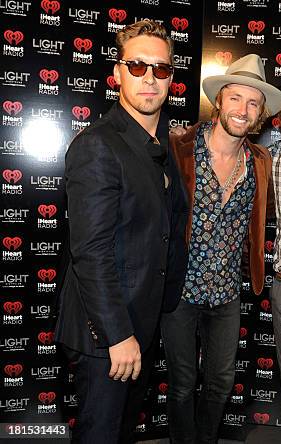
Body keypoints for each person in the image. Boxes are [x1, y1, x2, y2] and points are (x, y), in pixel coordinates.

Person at [54, 20, 188, 443]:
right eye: (137, 66)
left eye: (161, 69)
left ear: (171, 79)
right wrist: (118, 335)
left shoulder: (162, 145)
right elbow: (90, 253)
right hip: (107, 337)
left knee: (123, 432)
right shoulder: (98, 145)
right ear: (117, 74)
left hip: (141, 325)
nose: (150, 78)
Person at [160, 54, 281, 444]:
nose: (243, 109)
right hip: (180, 290)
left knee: (220, 383)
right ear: (219, 100)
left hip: (227, 293)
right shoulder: (178, 147)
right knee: (181, 384)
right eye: (235, 98)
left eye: (253, 102)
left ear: (261, 112)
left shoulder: (261, 161)